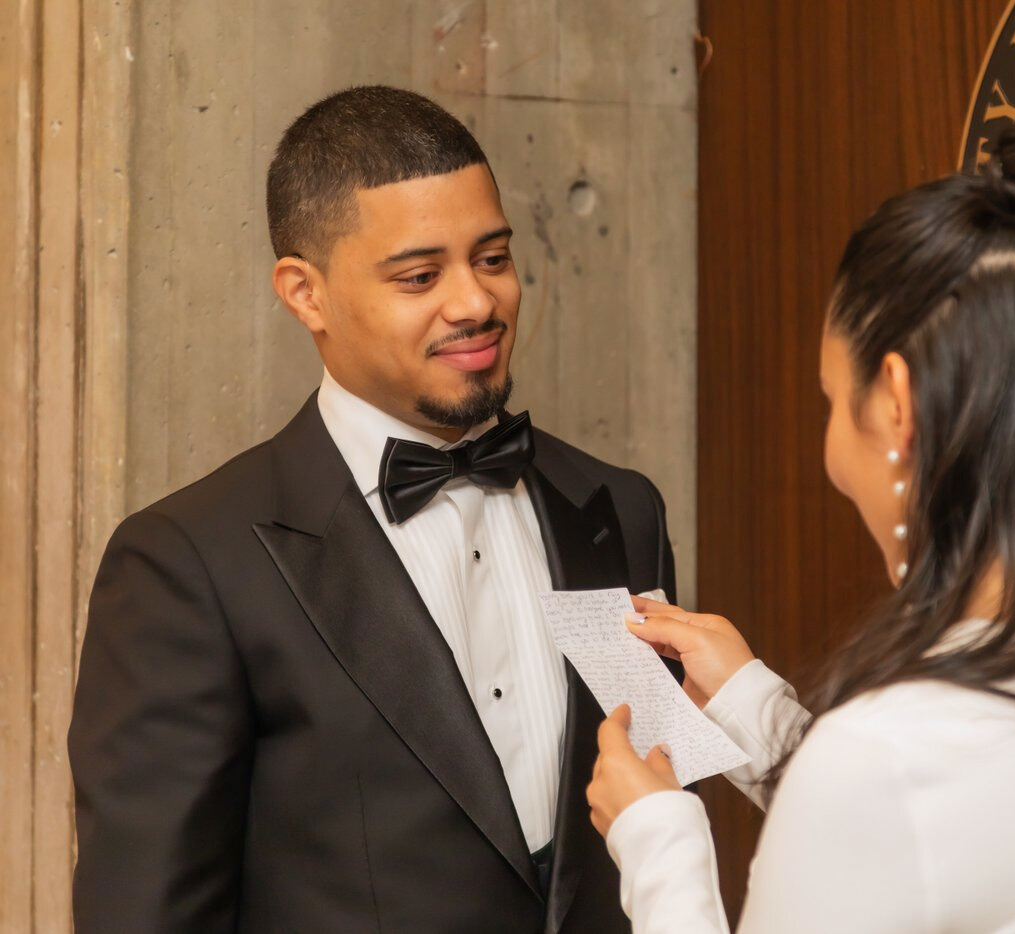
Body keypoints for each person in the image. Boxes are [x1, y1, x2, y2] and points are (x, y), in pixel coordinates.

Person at [68, 85, 673, 933]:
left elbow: (650, 827)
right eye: (421, 276)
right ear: (305, 293)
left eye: (493, 258)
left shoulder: (619, 509)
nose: (475, 302)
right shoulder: (188, 564)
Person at [586, 121, 1015, 933]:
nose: (830, 452)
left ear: (896, 404)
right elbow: (957, 845)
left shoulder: (883, 764)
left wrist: (658, 843)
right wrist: (754, 707)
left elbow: (911, 809)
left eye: (830, 399)